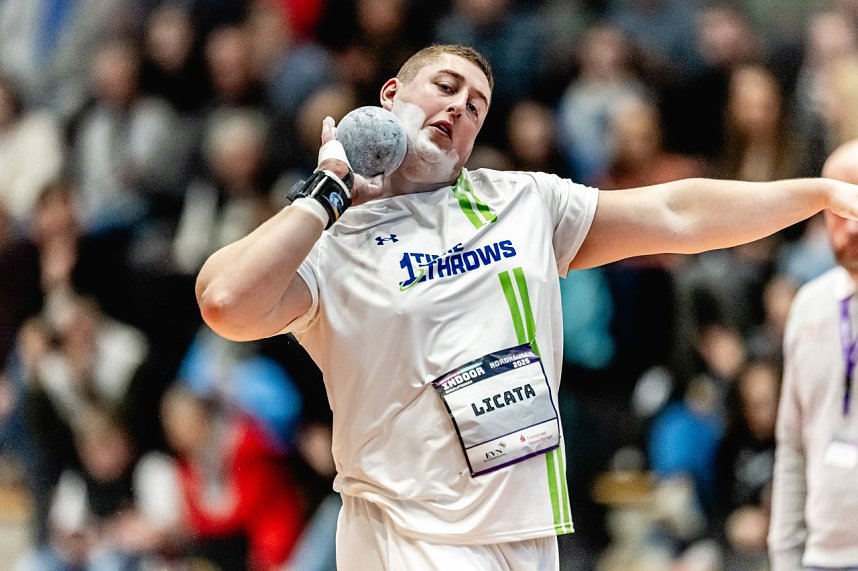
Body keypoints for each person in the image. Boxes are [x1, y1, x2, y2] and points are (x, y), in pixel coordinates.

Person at [195, 44, 858, 570]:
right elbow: (224, 301)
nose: (460, 108)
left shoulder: (522, 202)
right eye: (445, 87)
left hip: (526, 531)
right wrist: (328, 188)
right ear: (389, 97)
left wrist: (819, 194)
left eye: (476, 106)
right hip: (408, 531)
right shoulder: (335, 239)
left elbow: (675, 213)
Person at [768, 138, 858, 571]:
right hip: (822, 556)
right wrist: (785, 557)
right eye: (839, 210)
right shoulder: (809, 305)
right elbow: (792, 444)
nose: (851, 227)